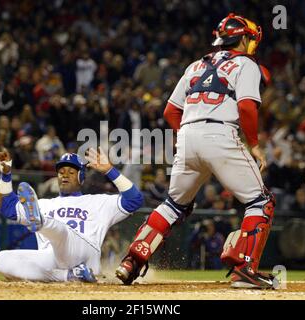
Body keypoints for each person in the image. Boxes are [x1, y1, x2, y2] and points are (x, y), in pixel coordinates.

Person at [116, 13, 276, 289]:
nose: (252, 45)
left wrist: (190, 135)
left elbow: (170, 111)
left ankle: (131, 261)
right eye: (251, 39)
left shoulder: (195, 66)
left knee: (173, 205)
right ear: (244, 39)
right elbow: (248, 107)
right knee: (260, 202)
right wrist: (254, 145)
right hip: (221, 132)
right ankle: (245, 269)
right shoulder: (246, 64)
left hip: (187, 136)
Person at [0, 147, 143, 282]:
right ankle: (68, 276)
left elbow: (135, 199)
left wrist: (110, 170)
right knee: (1, 259)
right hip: (52, 257)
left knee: (62, 231)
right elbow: (8, 207)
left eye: (71, 172)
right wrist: (6, 174)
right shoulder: (44, 204)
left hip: (85, 254)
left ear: (81, 177)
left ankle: (41, 222)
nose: (65, 175)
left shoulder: (98, 202)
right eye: (61, 172)